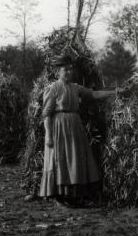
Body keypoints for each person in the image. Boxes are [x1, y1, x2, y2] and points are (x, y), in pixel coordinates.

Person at [40, 54, 115, 206]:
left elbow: (93, 94)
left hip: (75, 126)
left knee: (74, 159)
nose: (68, 72)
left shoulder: (75, 87)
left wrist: (115, 92)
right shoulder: (53, 88)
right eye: (65, 70)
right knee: (60, 159)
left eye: (70, 70)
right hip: (59, 127)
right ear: (58, 72)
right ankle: (59, 197)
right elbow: (46, 115)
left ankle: (74, 196)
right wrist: (48, 135)